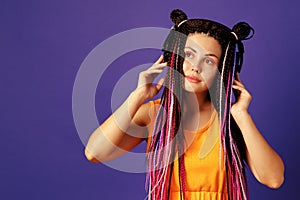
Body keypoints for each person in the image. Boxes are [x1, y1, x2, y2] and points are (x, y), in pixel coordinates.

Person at [84, 9, 284, 200]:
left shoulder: (229, 122)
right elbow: (95, 153)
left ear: (221, 71)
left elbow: (274, 179)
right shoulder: (153, 115)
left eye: (209, 61)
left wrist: (241, 114)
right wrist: (137, 96)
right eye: (189, 55)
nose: (195, 67)